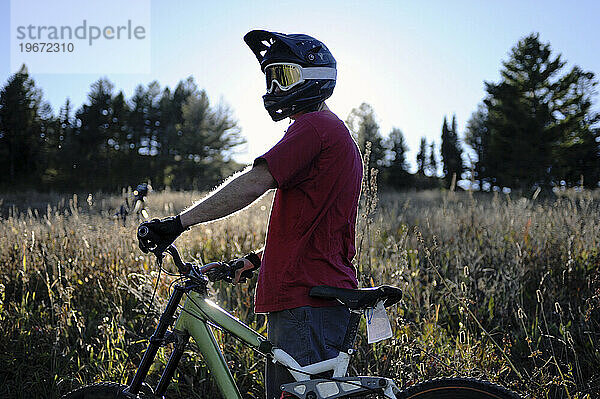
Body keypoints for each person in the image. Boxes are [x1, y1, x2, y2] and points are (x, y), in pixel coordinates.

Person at [137, 30, 363, 399]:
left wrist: (178, 224)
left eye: (284, 76)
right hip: (316, 295)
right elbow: (318, 225)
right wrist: (256, 260)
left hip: (305, 300)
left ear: (316, 77)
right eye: (270, 76)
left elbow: (253, 183)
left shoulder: (314, 127)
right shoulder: (335, 135)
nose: (275, 86)